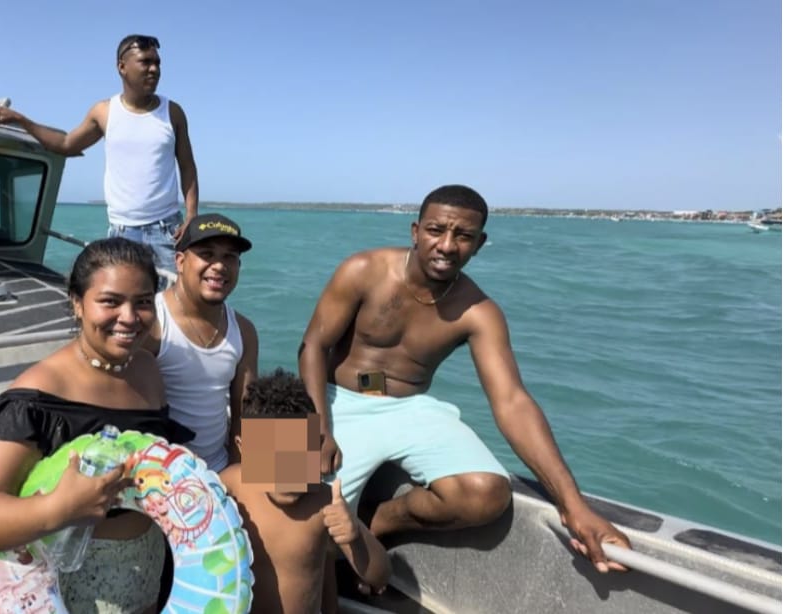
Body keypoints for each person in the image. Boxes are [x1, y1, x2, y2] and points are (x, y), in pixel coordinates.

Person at [298, 184, 632, 573]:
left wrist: (574, 507)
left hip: (411, 407)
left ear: (479, 243)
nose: (447, 245)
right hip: (331, 396)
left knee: (486, 494)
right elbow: (312, 347)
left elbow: (512, 402)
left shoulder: (480, 312)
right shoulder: (362, 269)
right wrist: (317, 426)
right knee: (269, 494)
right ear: (415, 231)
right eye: (436, 230)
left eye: (463, 236)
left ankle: (371, 524)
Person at [0, 237, 193, 614]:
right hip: (66, 584)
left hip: (147, 569)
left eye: (143, 302)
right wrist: (57, 509)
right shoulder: (38, 394)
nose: (129, 317)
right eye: (110, 301)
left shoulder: (147, 369)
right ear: (77, 303)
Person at [0, 34, 198, 279]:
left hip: (167, 230)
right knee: (126, 307)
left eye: (158, 63)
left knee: (172, 308)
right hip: (122, 233)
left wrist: (192, 214)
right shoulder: (105, 112)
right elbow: (67, 144)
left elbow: (187, 166)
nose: (154, 69)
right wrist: (22, 121)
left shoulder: (172, 113)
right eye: (145, 62)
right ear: (122, 67)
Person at [221, 369, 391, 614]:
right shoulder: (231, 487)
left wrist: (355, 535)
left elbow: (380, 575)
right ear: (245, 448)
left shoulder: (325, 502)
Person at [144, 213, 258, 474]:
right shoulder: (153, 323)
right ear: (180, 262)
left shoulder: (245, 330)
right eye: (207, 254)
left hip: (219, 469)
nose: (219, 266)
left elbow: (246, 414)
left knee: (306, 489)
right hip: (161, 475)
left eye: (230, 257)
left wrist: (239, 477)